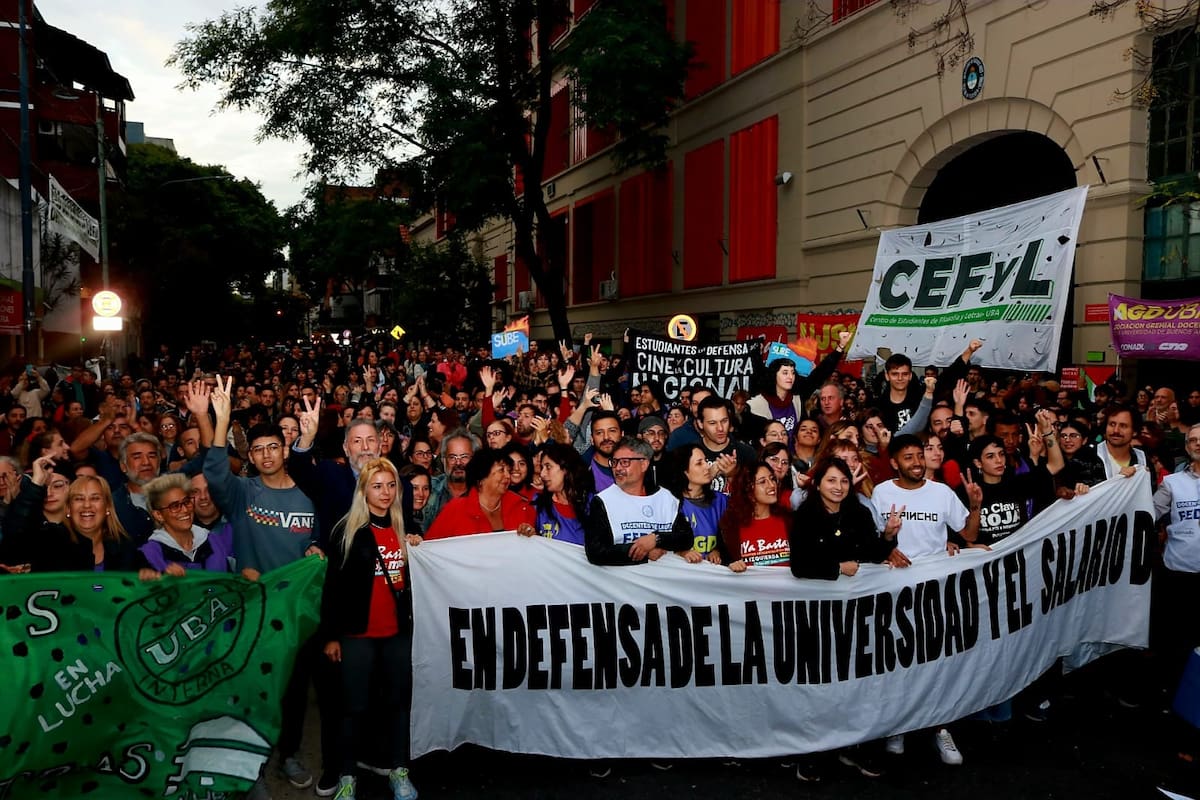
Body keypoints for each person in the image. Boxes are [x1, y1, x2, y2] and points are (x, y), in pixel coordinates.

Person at [195, 377, 327, 794]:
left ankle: (288, 755)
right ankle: (249, 766)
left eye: (274, 446)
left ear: (286, 450)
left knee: (293, 692)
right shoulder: (242, 494)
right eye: (258, 449)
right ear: (249, 456)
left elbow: (325, 536)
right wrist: (221, 421)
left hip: (299, 614)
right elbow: (215, 473)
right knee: (253, 691)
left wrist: (319, 548)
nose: (267, 454)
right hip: (254, 612)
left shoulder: (310, 494)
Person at [870, 434, 982, 765]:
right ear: (894, 463)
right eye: (909, 457)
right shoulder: (881, 493)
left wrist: (975, 505)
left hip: (936, 593)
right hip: (894, 593)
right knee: (899, 662)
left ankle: (941, 728)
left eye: (920, 455)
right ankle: (899, 727)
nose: (917, 462)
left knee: (938, 662)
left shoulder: (942, 492)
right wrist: (887, 546)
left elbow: (969, 534)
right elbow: (872, 540)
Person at [321, 458, 422, 800]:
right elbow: (332, 589)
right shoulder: (346, 532)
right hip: (357, 635)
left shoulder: (405, 529)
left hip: (397, 634)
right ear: (363, 491)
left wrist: (417, 546)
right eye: (377, 486)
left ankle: (399, 769)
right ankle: (347, 774)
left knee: (398, 704)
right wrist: (331, 636)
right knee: (352, 707)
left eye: (391, 485)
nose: (385, 492)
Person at [583, 437, 693, 565]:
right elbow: (596, 552)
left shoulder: (666, 498)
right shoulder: (603, 501)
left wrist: (656, 539)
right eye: (614, 462)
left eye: (624, 462)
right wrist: (644, 552)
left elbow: (686, 538)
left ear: (643, 464)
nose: (617, 468)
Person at [424, 448, 535, 539]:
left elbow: (533, 548)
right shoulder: (455, 509)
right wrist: (417, 543)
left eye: (508, 471)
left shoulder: (521, 507)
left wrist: (530, 535)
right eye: (501, 470)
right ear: (481, 478)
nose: (507, 476)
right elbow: (431, 547)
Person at [136, 472, 233, 574]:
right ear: (158, 515)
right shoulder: (150, 554)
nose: (185, 510)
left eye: (186, 502)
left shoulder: (213, 541)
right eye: (175, 506)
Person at [719, 461, 790, 571]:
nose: (772, 485)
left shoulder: (789, 520)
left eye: (772, 479)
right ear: (748, 489)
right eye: (763, 482)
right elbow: (724, 561)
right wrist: (731, 565)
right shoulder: (731, 525)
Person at [665, 443, 729, 564]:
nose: (707, 466)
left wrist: (718, 550)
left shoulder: (721, 501)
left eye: (705, 461)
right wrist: (682, 553)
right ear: (684, 471)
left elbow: (733, 538)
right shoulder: (669, 503)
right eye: (699, 463)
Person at [530, 442, 592, 545]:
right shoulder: (539, 504)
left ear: (566, 468)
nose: (542, 474)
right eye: (542, 468)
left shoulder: (591, 503)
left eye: (548, 467)